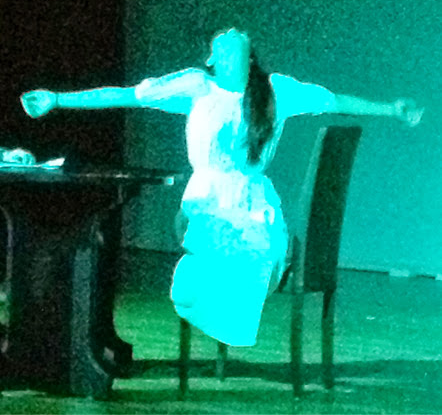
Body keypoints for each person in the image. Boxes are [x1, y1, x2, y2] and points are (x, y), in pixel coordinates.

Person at [20, 28, 423, 346]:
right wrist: (57, 100)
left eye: (239, 50)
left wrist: (391, 109)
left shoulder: (276, 90)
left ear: (250, 58)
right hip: (204, 201)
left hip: (254, 203)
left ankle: (234, 303)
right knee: (210, 264)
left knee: (254, 251)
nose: (232, 55)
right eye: (223, 50)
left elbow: (333, 101)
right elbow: (127, 96)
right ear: (213, 59)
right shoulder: (197, 86)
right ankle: (214, 301)